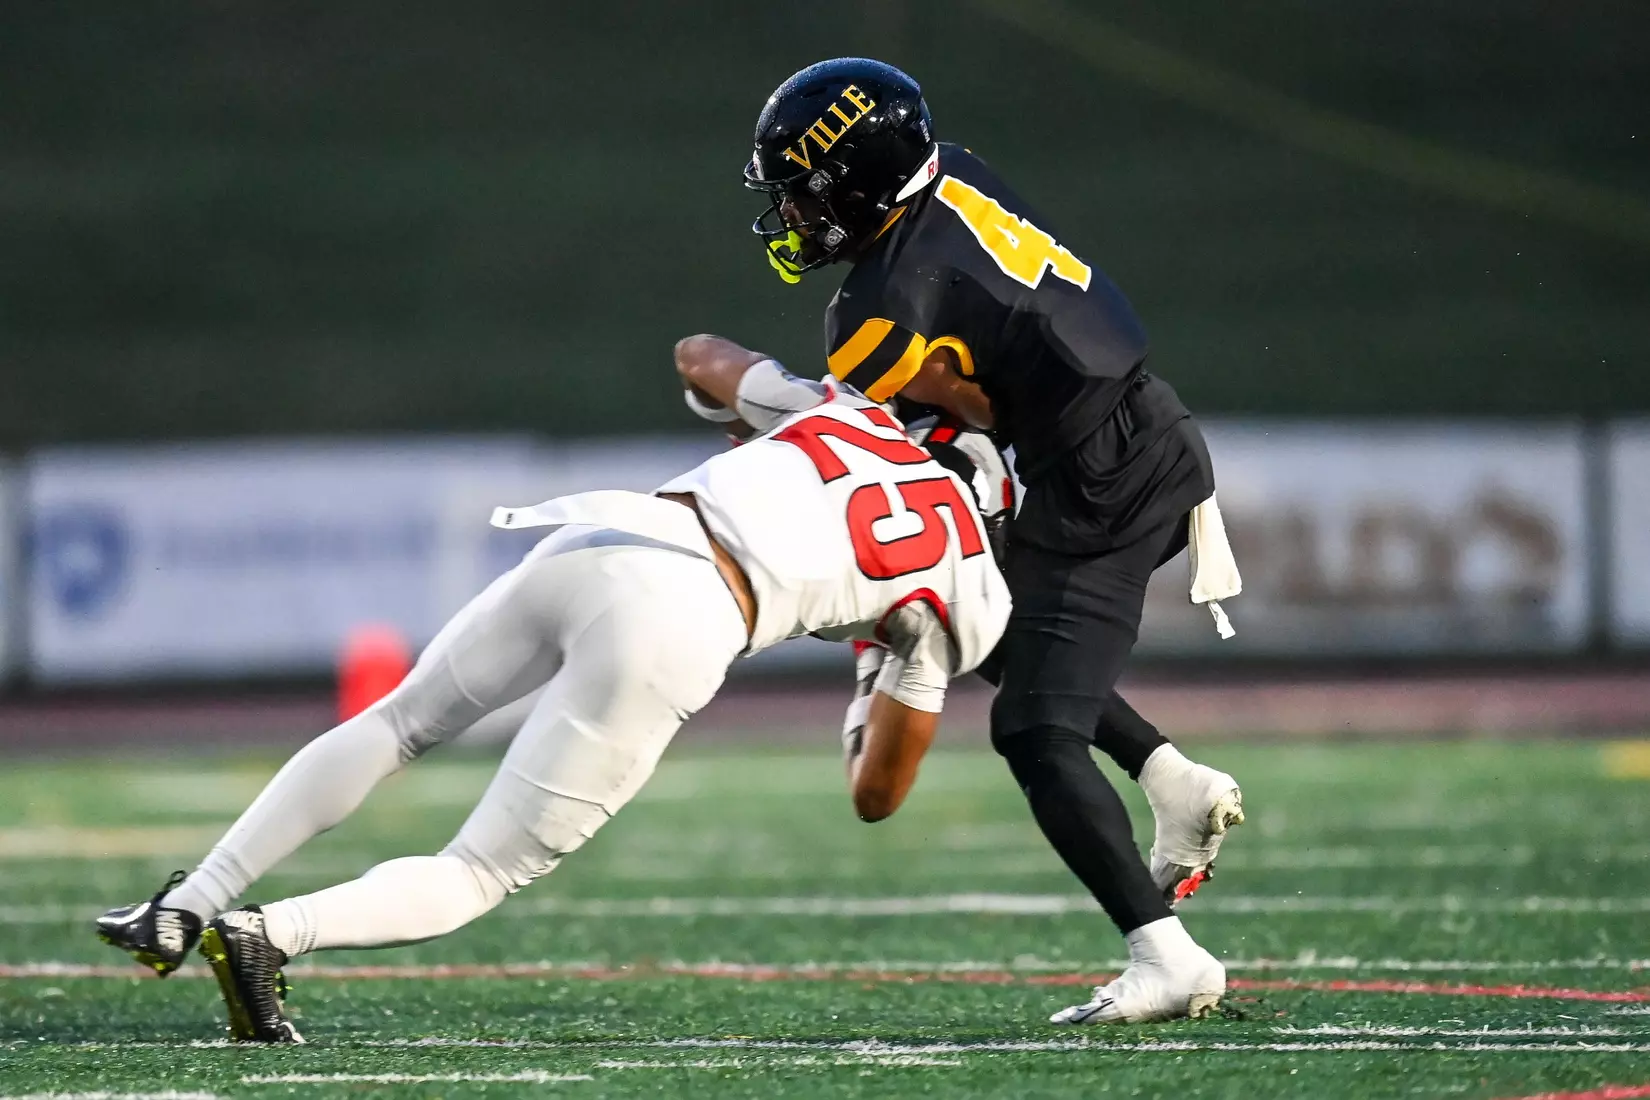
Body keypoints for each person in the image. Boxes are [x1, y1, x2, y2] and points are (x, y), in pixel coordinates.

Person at [93, 353, 1012, 1043]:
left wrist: (752, 396)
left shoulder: (845, 412)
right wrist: (886, 653)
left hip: (611, 533)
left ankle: (188, 902)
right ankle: (268, 934)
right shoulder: (971, 582)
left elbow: (699, 354)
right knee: (480, 872)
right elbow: (876, 793)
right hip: (690, 616)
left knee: (397, 721)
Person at [718, 57, 1246, 1024]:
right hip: (1128, 434)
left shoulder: (875, 310)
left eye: (801, 191)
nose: (790, 214)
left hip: (1101, 485)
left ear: (856, 183)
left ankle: (1166, 957)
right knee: (990, 625)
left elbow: (898, 433)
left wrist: (775, 406)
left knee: (1033, 730)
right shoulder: (951, 168)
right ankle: (1174, 780)